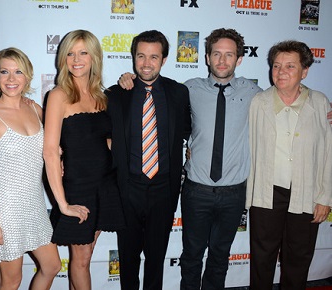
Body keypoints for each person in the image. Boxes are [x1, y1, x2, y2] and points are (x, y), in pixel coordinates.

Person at [118, 28, 261, 289]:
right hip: (196, 190)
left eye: (229, 55)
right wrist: (126, 79)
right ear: (206, 57)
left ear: (239, 59)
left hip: (233, 192)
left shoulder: (255, 94)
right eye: (216, 53)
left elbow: (285, 96)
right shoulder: (187, 90)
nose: (221, 60)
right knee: (191, 256)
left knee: (220, 257)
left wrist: (320, 105)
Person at [107, 30, 191, 290]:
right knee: (128, 259)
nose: (146, 63)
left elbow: (187, 131)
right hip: (127, 189)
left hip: (163, 190)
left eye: (153, 57)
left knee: (156, 259)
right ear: (133, 58)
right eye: (141, 56)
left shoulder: (178, 93)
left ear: (164, 60)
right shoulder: (116, 93)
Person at [0, 47, 61, 289]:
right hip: (6, 210)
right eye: (5, 72)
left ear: (28, 77)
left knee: (52, 266)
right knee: (12, 280)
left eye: (18, 72)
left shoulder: (34, 108)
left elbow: (51, 148)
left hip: (35, 205)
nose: (11, 79)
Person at [246, 40, 332, 290]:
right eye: (276, 66)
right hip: (266, 193)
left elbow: (328, 153)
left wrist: (325, 196)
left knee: (298, 258)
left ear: (304, 71)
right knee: (262, 259)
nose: (281, 71)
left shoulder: (320, 103)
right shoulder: (258, 103)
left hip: (306, 194)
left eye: (290, 66)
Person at [43, 30, 125, 290]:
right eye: (69, 53)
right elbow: (49, 152)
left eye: (83, 53)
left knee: (86, 256)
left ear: (94, 57)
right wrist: (63, 204)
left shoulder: (101, 96)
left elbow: (107, 141)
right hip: (77, 187)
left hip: (105, 185)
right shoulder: (58, 95)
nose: (76, 59)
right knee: (80, 259)